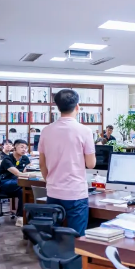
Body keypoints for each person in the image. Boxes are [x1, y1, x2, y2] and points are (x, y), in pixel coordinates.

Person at [39, 89, 96, 236]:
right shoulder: (85, 131)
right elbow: (91, 164)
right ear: (77, 106)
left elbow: (42, 164)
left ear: (58, 107)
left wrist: (50, 181)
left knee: (53, 235)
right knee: (77, 239)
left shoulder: (46, 131)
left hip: (53, 191)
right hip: (76, 193)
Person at [0, 139, 33, 227]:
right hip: (4, 183)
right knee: (25, 185)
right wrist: (31, 175)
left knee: (23, 191)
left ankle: (21, 217)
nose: (24, 150)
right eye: (22, 147)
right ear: (14, 147)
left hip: (17, 183)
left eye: (26, 148)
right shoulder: (7, 159)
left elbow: (26, 169)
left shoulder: (25, 158)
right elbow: (18, 173)